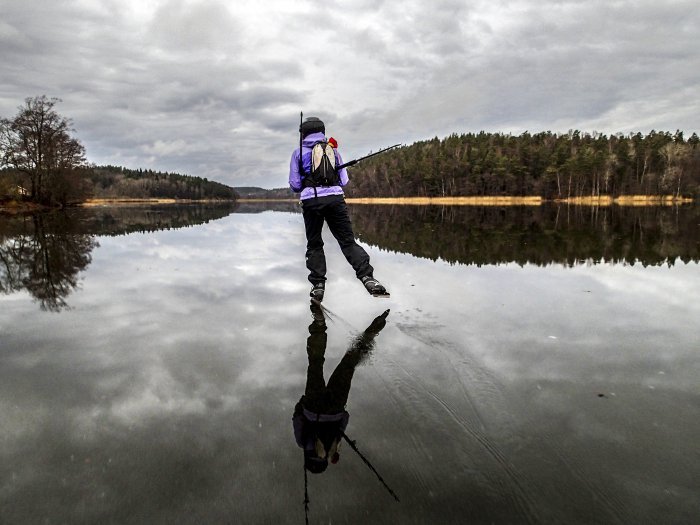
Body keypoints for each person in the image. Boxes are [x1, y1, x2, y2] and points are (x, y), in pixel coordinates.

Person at [289, 116, 389, 302]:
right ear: (322, 132)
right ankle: (368, 277)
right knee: (347, 242)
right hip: (335, 199)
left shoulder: (298, 153)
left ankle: (318, 285)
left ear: (304, 134)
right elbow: (344, 181)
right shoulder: (333, 151)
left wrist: (306, 179)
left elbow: (295, 185)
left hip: (311, 202)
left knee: (315, 243)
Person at [293, 302, 389, 474]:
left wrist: (334, 413)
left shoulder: (334, 446)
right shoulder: (303, 443)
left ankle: (371, 333)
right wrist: (303, 403)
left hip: (336, 406)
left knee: (348, 364)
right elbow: (297, 417)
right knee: (315, 363)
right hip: (312, 405)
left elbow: (345, 418)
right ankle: (319, 324)